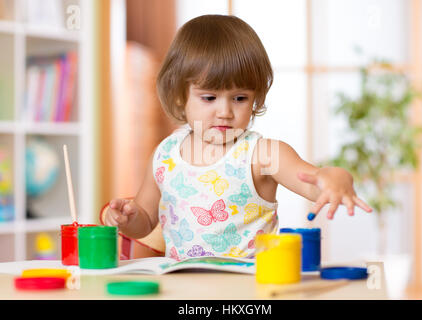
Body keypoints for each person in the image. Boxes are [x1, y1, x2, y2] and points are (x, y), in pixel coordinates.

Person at [104, 14, 372, 260]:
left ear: (255, 98)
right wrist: (128, 219)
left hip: (249, 290)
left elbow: (313, 183)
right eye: (209, 97)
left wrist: (335, 179)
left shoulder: (263, 155)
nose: (225, 112)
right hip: (184, 289)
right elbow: (146, 220)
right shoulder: (165, 155)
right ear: (179, 96)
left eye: (240, 98)